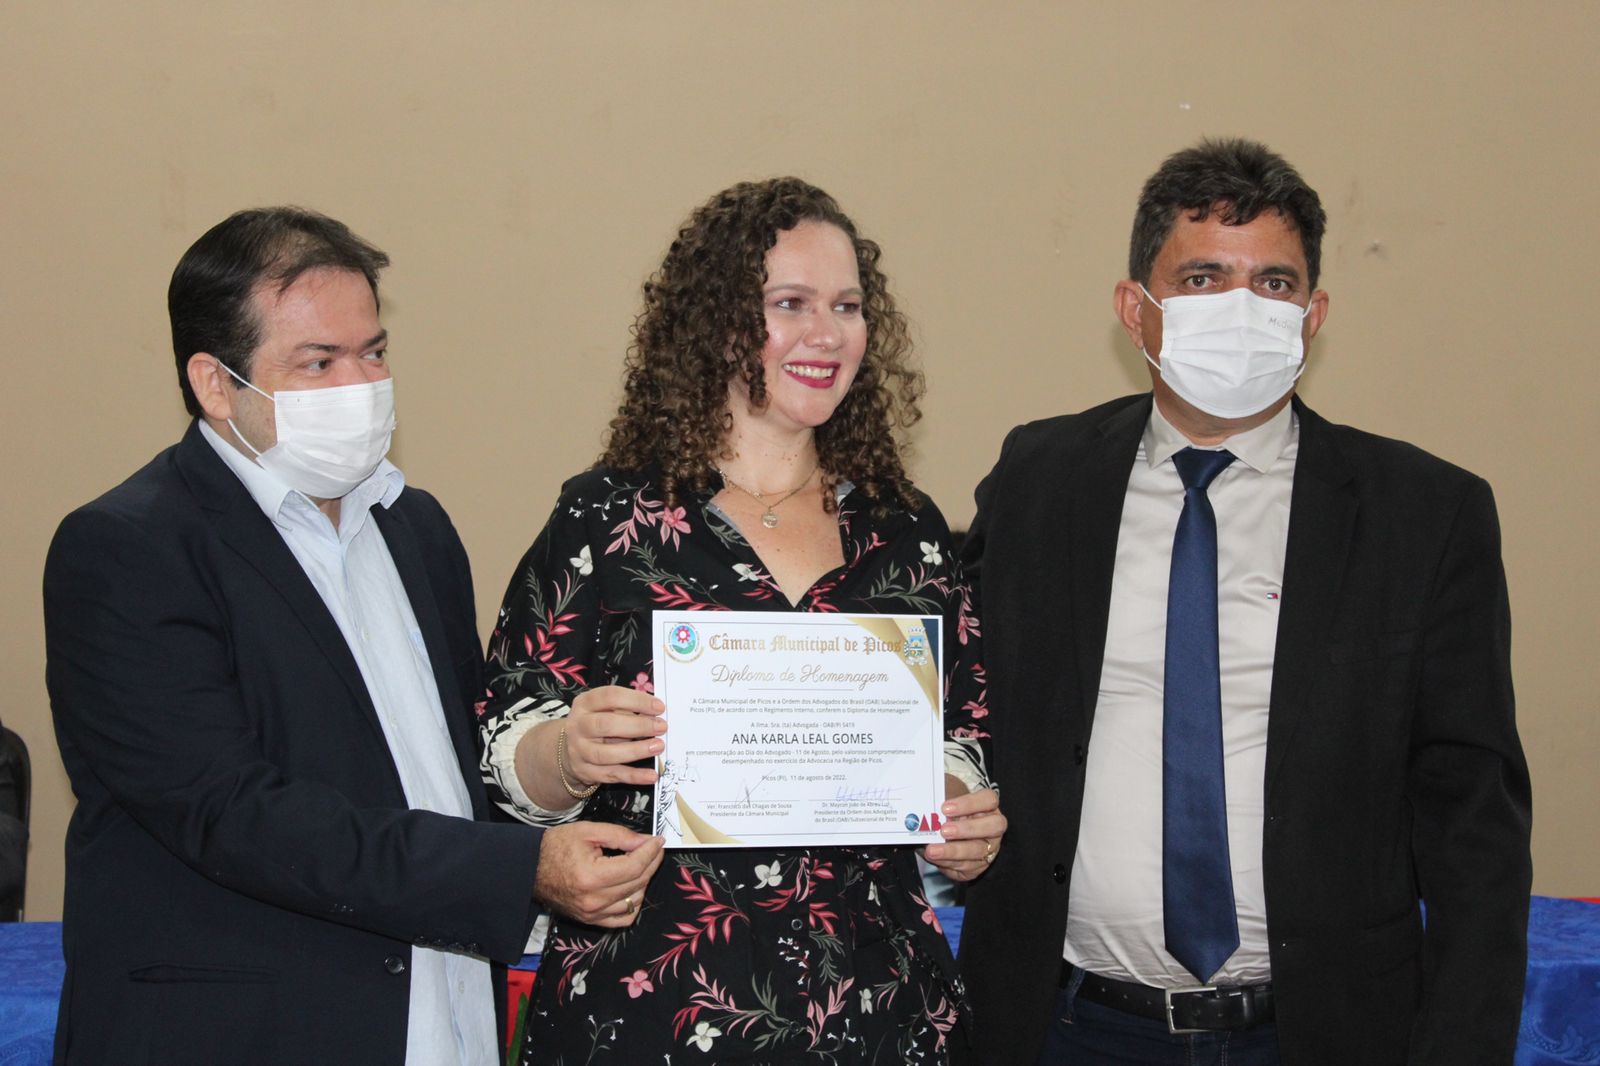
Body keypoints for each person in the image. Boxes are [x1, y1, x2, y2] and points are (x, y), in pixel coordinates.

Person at [953, 139, 1531, 1066]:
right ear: (1135, 310)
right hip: (1065, 1025)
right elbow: (956, 684)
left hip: (1322, 1032)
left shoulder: (1425, 513)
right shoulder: (1039, 477)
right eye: (1203, 278)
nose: (1241, 308)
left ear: (1312, 316)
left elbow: (1475, 825)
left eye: (1273, 283)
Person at [43, 207, 664, 1065]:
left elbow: (449, 768)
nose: (361, 385)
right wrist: (518, 871)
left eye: (373, 353)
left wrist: (556, 765)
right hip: (250, 1034)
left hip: (446, 1016)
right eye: (319, 361)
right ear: (215, 384)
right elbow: (230, 813)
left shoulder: (415, 528)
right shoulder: (130, 548)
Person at [479, 177, 1005, 1064]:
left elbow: (963, 731)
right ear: (717, 324)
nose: (826, 333)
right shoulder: (608, 517)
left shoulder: (906, 526)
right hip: (652, 1008)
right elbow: (506, 742)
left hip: (876, 1009)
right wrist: (567, 753)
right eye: (790, 304)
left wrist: (958, 816)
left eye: (847, 306)